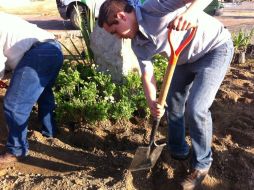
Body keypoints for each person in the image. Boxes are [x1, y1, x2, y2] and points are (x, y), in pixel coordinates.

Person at [97, 0, 234, 189]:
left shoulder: (155, 8)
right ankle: (178, 150)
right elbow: (147, 74)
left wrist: (190, 13)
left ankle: (202, 164)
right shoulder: (137, 43)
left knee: (196, 108)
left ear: (121, 17)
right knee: (172, 102)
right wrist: (152, 102)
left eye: (114, 32)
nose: (117, 37)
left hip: (214, 49)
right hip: (183, 60)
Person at [0, 13, 63, 164]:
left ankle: (16, 150)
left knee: (14, 104)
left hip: (39, 53)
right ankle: (49, 133)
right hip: (54, 49)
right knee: (43, 93)